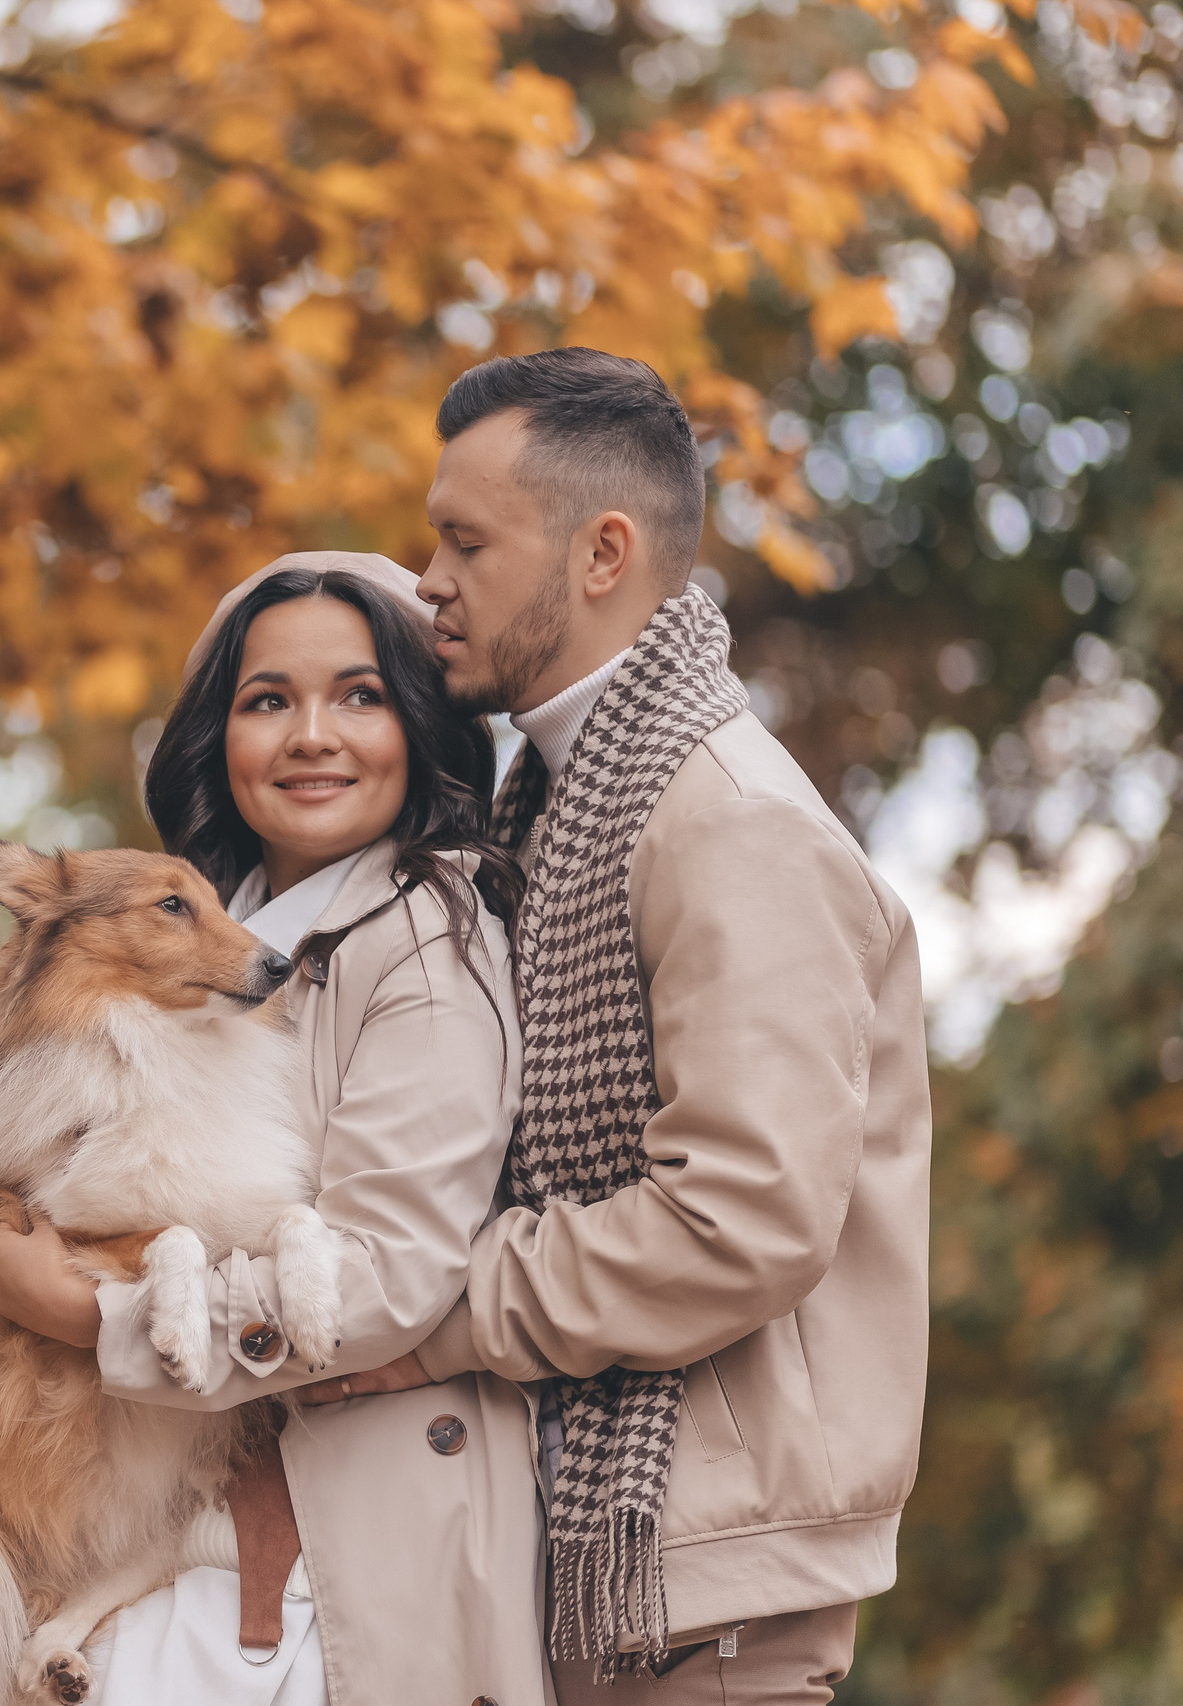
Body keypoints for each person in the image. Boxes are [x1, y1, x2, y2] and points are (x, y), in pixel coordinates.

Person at [333, 347, 932, 1702]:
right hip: (613, 1570)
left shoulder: (730, 819)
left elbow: (741, 1217)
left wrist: (424, 1310)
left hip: (704, 1599)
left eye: (464, 540)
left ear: (602, 553)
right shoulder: (553, 806)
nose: (428, 578)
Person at [0, 554, 552, 1706]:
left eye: (361, 695)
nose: (310, 735)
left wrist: (93, 1314)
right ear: (216, 735)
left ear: (419, 722)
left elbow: (385, 1277)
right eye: (267, 699)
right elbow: (12, 1247)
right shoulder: (190, 939)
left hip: (311, 1568)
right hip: (131, 1534)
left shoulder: (428, 941)